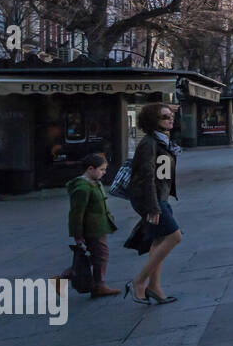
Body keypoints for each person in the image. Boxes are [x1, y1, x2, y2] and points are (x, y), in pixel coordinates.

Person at [125, 102, 183, 305]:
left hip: (160, 197)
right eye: (165, 117)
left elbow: (162, 173)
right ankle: (139, 282)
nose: (170, 119)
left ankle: (154, 287)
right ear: (153, 122)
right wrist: (152, 207)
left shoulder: (163, 141)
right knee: (174, 237)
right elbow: (146, 177)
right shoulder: (149, 144)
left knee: (158, 241)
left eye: (171, 116)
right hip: (152, 199)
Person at [53, 153, 119, 299]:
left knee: (93, 257)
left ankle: (63, 279)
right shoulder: (82, 188)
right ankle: (99, 286)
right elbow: (76, 214)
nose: (104, 172)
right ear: (90, 169)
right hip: (91, 229)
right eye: (101, 169)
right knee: (101, 255)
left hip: (100, 226)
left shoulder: (95, 182)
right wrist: (78, 235)